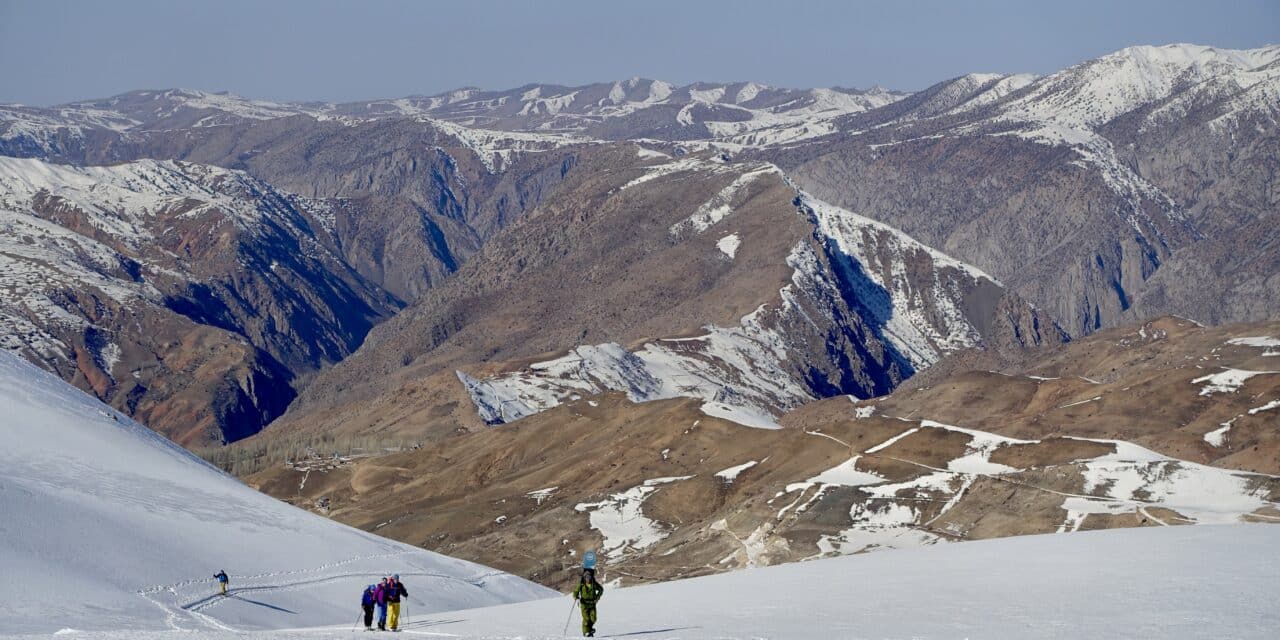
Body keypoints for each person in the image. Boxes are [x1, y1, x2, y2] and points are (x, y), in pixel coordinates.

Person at [573, 568, 604, 637]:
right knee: (586, 619)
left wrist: (597, 597)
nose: (588, 579)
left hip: (592, 604)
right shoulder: (581, 584)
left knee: (594, 619)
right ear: (584, 577)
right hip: (584, 604)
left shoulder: (594, 584)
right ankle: (586, 633)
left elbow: (601, 589)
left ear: (591, 577)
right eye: (586, 577)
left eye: (589, 577)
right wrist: (576, 597)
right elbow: (575, 592)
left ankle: (589, 629)